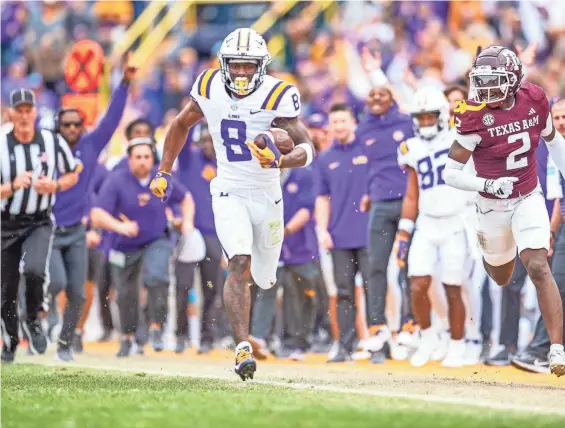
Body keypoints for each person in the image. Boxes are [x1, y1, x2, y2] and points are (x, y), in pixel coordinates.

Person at [150, 28, 315, 381]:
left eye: (247, 66)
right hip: (227, 189)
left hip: (268, 193)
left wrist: (280, 160)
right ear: (224, 65)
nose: (240, 73)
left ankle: (252, 324)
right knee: (238, 261)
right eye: (235, 66)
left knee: (266, 278)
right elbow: (180, 125)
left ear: (261, 66)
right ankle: (242, 348)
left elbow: (307, 148)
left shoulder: (279, 93)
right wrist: (164, 170)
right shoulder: (208, 86)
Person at [444, 45, 565, 376]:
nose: (486, 90)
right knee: (500, 275)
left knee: (539, 265)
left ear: (513, 81)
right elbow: (450, 172)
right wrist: (485, 184)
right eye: (482, 82)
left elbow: (552, 140)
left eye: (495, 81)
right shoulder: (472, 115)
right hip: (490, 203)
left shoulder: (535, 99)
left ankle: (556, 349)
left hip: (528, 194)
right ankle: (496, 252)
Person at [49, 58, 135, 361]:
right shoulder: (45, 149)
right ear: (57, 127)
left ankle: (69, 337)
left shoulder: (89, 146)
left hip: (78, 229)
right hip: (46, 227)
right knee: (55, 282)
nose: (72, 129)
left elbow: (111, 120)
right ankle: (44, 323)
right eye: (66, 124)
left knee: (79, 290)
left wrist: (123, 85)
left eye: (77, 124)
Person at [92, 138, 193, 357]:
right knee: (126, 293)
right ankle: (128, 337)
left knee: (157, 276)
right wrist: (120, 226)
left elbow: (186, 198)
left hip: (156, 239)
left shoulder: (162, 179)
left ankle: (156, 327)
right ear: (129, 159)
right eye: (138, 157)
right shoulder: (116, 180)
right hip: (123, 244)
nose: (142, 161)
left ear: (153, 159)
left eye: (147, 157)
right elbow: (97, 215)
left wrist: (187, 222)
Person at [1, 89, 78, 363]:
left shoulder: (50, 140)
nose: (23, 115)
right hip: (5, 223)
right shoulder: (1, 142)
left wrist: (55, 184)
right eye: (18, 110)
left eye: (27, 110)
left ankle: (33, 318)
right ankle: (9, 341)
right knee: (6, 289)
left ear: (35, 112)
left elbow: (73, 172)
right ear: (10, 112)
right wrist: (11, 187)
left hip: (39, 220)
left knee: (34, 270)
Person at [394, 87, 470, 367]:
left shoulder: (458, 139)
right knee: (417, 284)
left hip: (455, 220)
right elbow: (412, 193)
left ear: (441, 116)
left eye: (430, 117)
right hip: (426, 222)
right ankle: (428, 337)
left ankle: (458, 344)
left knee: (453, 286)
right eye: (420, 117)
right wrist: (404, 232)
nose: (425, 122)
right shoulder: (410, 148)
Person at [357, 79, 415, 363]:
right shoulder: (363, 128)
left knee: (408, 267)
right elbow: (365, 165)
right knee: (375, 267)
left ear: (393, 98)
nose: (377, 98)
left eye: (383, 93)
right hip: (380, 202)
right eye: (372, 94)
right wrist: (368, 192)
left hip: (407, 202)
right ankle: (377, 326)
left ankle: (409, 324)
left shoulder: (406, 123)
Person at [512, 97, 565, 373]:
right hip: (563, 224)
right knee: (557, 282)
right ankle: (542, 349)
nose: (560, 123)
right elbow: (559, 198)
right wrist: (553, 230)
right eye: (556, 118)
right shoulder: (556, 150)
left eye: (564, 117)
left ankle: (541, 349)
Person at [316, 103, 370, 363]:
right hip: (339, 236)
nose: (339, 126)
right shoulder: (325, 159)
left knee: (374, 290)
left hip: (370, 233)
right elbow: (322, 198)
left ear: (353, 122)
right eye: (334, 121)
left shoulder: (369, 150)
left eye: (343, 121)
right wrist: (322, 230)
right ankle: (345, 345)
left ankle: (377, 344)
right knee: (344, 292)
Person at [174, 123, 223, 354]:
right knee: (183, 286)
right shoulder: (187, 160)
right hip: (190, 233)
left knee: (211, 288)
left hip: (214, 235)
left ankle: (207, 336)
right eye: (204, 140)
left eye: (212, 140)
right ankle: (181, 335)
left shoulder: (226, 166)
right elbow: (180, 134)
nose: (208, 145)